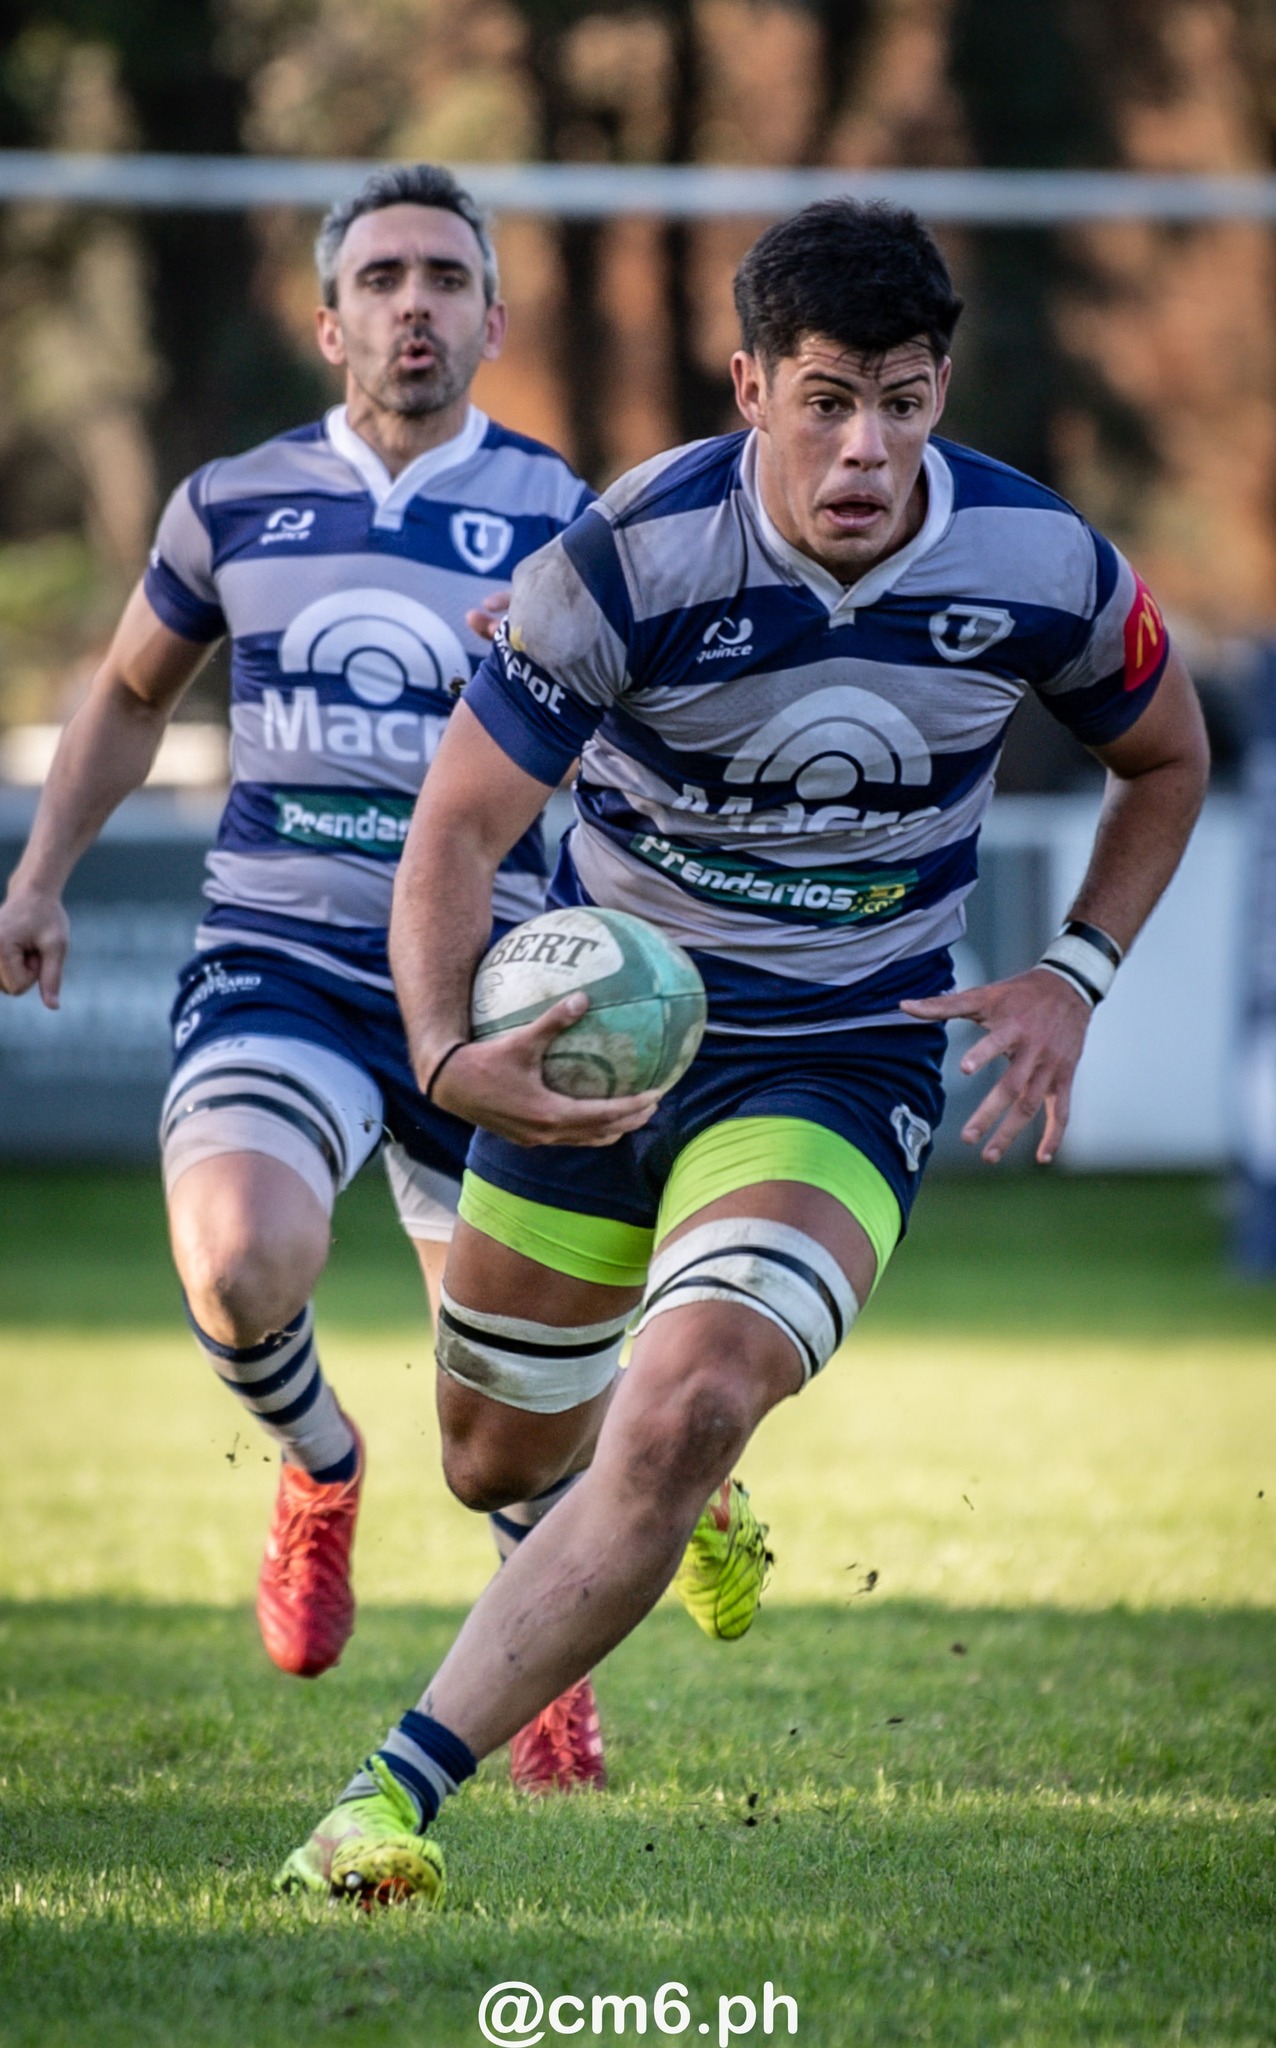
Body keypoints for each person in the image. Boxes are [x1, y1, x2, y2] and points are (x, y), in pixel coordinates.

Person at [276, 196, 1210, 1905]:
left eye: (906, 401)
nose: (867, 448)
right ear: (750, 385)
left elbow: (1169, 754)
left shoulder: (1040, 562)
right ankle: (681, 1493)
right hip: (594, 1049)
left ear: (943, 391)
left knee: (691, 1393)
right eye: (827, 398)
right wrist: (442, 1050)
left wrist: (1074, 971)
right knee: (494, 1455)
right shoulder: (631, 558)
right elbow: (456, 836)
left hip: (842, 1058)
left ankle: (385, 1798)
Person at [0, 162, 769, 1794]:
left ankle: (560, 1589)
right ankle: (320, 1470)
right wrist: (42, 869)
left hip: (498, 993)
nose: (411, 304)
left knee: (508, 1411)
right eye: (381, 276)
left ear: (493, 318)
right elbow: (135, 693)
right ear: (328, 313)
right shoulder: (231, 501)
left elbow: (651, 732)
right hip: (280, 958)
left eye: (443, 277)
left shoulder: (569, 511)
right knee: (237, 1264)